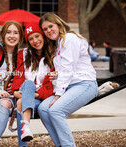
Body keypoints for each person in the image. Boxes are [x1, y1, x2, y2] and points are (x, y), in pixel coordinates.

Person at [38, 12, 98, 146]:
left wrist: (58, 95)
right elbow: (65, 70)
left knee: (56, 110)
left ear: (58, 24)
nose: (48, 31)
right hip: (70, 86)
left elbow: (68, 69)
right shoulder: (58, 44)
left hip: (85, 84)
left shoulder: (70, 39)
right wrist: (56, 75)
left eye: (50, 26)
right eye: (45, 29)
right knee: (43, 108)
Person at [11, 23, 54, 146]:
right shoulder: (23, 54)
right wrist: (15, 91)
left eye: (37, 36)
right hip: (23, 92)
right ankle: (26, 129)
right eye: (31, 38)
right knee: (28, 84)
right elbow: (18, 75)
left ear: (43, 36)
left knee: (21, 103)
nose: (35, 41)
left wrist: (35, 94)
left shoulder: (53, 55)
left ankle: (24, 134)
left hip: (40, 97)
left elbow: (52, 84)